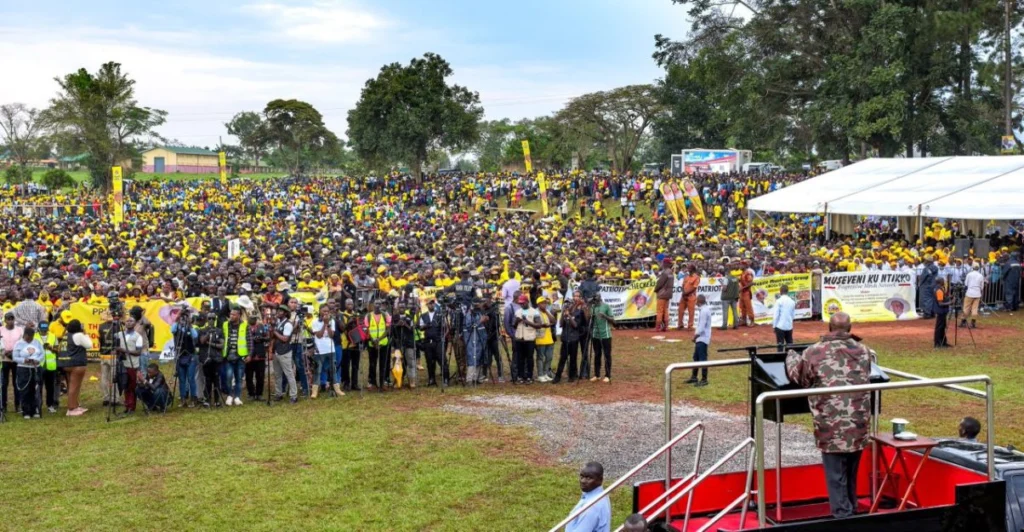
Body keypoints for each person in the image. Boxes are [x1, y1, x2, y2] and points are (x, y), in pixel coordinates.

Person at [785, 312, 873, 518]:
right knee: (850, 472)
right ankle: (852, 508)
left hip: (831, 424)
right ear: (850, 328)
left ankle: (843, 516)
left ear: (830, 328)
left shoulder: (814, 352)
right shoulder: (864, 351)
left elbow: (800, 377)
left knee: (836, 476)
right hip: (859, 422)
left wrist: (791, 356)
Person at [563, 462, 611, 532]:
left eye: (589, 478)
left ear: (600, 480)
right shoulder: (599, 494)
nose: (583, 481)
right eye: (582, 476)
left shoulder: (591, 508)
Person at [60, 319, 93, 416]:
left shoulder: (66, 335)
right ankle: (71, 409)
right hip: (77, 364)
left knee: (72, 386)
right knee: (74, 387)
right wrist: (85, 334)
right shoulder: (78, 335)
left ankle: (75, 405)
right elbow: (89, 345)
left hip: (66, 363)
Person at [12, 325, 44, 419]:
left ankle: (35, 410)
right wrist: (24, 360)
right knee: (24, 389)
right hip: (23, 369)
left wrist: (38, 360)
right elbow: (15, 357)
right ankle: (26, 411)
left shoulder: (37, 342)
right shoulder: (18, 344)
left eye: (32, 337)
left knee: (35, 389)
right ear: (25, 335)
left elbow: (42, 354)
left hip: (35, 368)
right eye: (28, 337)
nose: (30, 339)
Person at [311, 306, 343, 397]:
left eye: (328, 311)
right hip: (319, 350)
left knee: (333, 369)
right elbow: (319, 335)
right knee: (318, 370)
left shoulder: (331, 321)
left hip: (330, 349)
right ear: (320, 311)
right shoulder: (315, 322)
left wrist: (328, 324)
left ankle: (337, 389)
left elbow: (331, 335)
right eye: (324, 311)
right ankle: (315, 391)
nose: (326, 313)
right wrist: (324, 324)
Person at [116, 316, 146, 415]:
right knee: (125, 385)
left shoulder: (138, 337)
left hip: (133, 364)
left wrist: (124, 351)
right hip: (122, 364)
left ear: (135, 323)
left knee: (132, 386)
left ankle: (132, 407)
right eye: (127, 321)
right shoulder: (119, 334)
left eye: (131, 321)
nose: (128, 322)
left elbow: (138, 352)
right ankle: (127, 404)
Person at [221, 307, 248, 406]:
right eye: (230, 314)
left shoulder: (245, 325)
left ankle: (237, 397)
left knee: (239, 378)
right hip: (228, 356)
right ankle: (230, 395)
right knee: (228, 377)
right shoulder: (225, 325)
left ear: (239, 315)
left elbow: (249, 340)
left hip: (240, 356)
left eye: (233, 314)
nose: (231, 316)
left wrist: (249, 354)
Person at [171, 312, 199, 407]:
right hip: (180, 356)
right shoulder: (176, 328)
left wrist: (189, 324)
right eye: (182, 318)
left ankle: (193, 399)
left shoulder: (190, 328)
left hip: (190, 356)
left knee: (191, 378)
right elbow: (172, 330)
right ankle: (183, 399)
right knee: (182, 379)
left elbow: (195, 336)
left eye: (184, 318)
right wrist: (178, 317)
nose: (183, 320)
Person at [271, 305, 299, 403]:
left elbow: (285, 339)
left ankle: (294, 395)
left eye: (281, 311)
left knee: (289, 374)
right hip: (276, 351)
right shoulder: (278, 323)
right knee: (277, 375)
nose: (278, 312)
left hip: (285, 352)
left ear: (286, 313)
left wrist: (274, 332)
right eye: (278, 310)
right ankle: (279, 394)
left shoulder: (288, 324)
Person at [196, 313, 225, 407]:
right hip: (206, 358)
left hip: (216, 358)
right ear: (207, 319)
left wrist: (211, 343)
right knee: (207, 380)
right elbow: (202, 341)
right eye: (209, 318)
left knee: (216, 380)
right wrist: (208, 334)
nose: (211, 320)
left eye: (213, 318)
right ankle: (207, 400)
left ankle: (217, 400)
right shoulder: (202, 330)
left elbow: (222, 345)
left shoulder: (219, 331)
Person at [512, 292, 539, 384]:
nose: (521, 304)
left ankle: (529, 376)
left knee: (529, 358)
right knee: (520, 359)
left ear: (527, 302)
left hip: (530, 339)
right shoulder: (517, 312)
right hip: (519, 338)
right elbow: (514, 326)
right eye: (520, 303)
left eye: (523, 303)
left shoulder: (534, 311)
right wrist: (516, 321)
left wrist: (526, 321)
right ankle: (520, 376)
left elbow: (538, 325)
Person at [364, 300, 391, 390]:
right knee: (372, 363)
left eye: (380, 304)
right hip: (372, 344)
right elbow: (367, 330)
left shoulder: (386, 315)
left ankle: (383, 382)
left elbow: (388, 330)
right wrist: (373, 341)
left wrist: (379, 340)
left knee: (383, 363)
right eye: (376, 303)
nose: (378, 305)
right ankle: (372, 382)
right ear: (373, 305)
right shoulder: (368, 316)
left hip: (383, 343)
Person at [686, 295, 712, 387]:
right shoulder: (704, 310)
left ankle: (704, 379)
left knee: (702, 359)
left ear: (699, 301)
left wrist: (695, 337)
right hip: (701, 338)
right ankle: (694, 377)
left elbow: (701, 327)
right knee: (696, 358)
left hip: (702, 338)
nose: (696, 302)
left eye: (697, 301)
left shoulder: (704, 311)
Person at [418, 297, 445, 386]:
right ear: (427, 305)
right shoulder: (423, 315)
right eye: (429, 303)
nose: (431, 305)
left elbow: (444, 327)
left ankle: (445, 379)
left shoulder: (439, 314)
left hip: (438, 341)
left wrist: (442, 337)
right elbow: (420, 327)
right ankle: (431, 379)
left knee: (442, 360)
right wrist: (426, 325)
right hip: (428, 342)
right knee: (430, 361)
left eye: (433, 303)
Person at [1, 311, 24, 414]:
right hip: (4, 359)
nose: (10, 321)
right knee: (4, 383)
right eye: (8, 319)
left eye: (12, 319)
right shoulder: (1, 330)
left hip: (16, 359)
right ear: (5, 320)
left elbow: (23, 343)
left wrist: (14, 352)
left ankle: (18, 405)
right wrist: (4, 352)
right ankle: (3, 406)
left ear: (14, 320)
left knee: (17, 383)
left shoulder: (19, 330)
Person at [245, 311, 270, 401]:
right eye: (251, 318)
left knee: (260, 376)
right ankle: (251, 393)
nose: (253, 319)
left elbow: (268, 337)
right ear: (248, 318)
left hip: (260, 355)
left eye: (254, 318)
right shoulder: (245, 327)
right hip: (249, 355)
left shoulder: (261, 326)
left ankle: (259, 394)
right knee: (249, 376)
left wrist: (261, 338)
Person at [589, 295, 614, 383]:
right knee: (597, 355)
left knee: (607, 355)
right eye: (594, 299)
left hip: (605, 335)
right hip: (595, 335)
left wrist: (605, 316)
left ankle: (608, 375)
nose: (595, 301)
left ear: (600, 299)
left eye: (596, 299)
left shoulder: (606, 306)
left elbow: (613, 320)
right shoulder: (592, 307)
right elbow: (590, 319)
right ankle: (597, 375)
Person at [534, 297, 556, 382]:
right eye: (542, 303)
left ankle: (546, 373)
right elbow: (537, 324)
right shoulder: (535, 312)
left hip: (549, 338)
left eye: (545, 303)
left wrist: (546, 311)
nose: (545, 304)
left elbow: (553, 321)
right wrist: (544, 325)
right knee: (540, 357)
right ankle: (540, 374)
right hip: (540, 338)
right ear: (538, 304)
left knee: (549, 357)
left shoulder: (547, 311)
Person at [961, 263, 984, 329]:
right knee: (975, 309)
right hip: (977, 293)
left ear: (972, 267)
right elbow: (982, 287)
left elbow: (966, 284)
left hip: (969, 293)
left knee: (966, 308)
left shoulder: (969, 274)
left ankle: (963, 322)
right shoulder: (980, 275)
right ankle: (973, 323)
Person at [653, 259, 673, 331]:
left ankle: (658, 327)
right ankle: (666, 326)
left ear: (665, 264)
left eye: (662, 263)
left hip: (662, 293)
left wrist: (655, 290)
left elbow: (660, 283)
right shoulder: (671, 272)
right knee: (666, 310)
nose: (661, 264)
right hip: (668, 294)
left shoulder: (665, 273)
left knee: (659, 311)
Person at [677, 265, 699, 330]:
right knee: (680, 310)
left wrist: (686, 294)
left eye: (689, 268)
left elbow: (694, 288)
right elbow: (683, 285)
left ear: (693, 269)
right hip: (684, 296)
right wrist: (684, 294)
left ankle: (690, 326)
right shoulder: (686, 277)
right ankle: (680, 325)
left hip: (691, 296)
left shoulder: (696, 277)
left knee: (691, 312)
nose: (688, 269)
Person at [720, 266, 739, 330]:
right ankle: (736, 324)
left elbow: (725, 288)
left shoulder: (726, 278)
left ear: (726, 272)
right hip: (734, 297)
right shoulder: (735, 278)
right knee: (735, 311)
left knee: (725, 311)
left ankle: (724, 325)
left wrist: (722, 287)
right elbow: (737, 288)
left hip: (726, 297)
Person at [934, 278, 951, 348]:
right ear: (940, 282)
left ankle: (943, 342)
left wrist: (949, 297)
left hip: (942, 311)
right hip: (941, 311)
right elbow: (940, 303)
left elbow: (943, 298)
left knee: (942, 327)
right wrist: (950, 302)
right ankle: (938, 343)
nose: (944, 282)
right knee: (939, 327)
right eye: (943, 281)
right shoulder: (939, 291)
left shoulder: (940, 289)